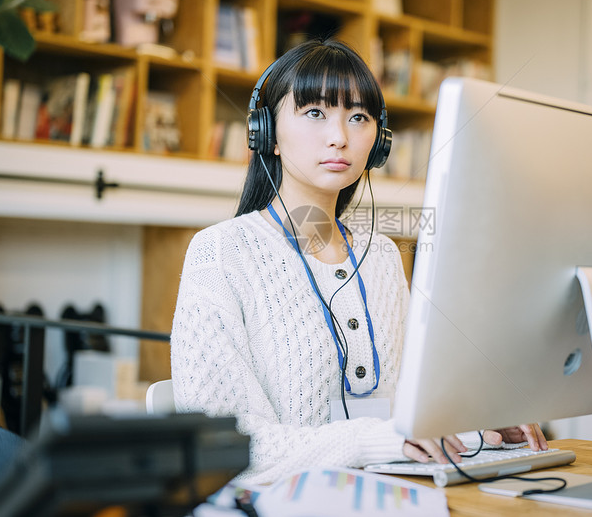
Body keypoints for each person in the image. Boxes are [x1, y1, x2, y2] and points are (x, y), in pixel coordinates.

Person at [170, 38, 547, 484]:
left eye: (359, 117)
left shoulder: (384, 255)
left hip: (393, 495)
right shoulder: (222, 253)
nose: (340, 136)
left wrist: (480, 427)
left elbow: (408, 415)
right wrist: (374, 441)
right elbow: (225, 446)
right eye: (315, 113)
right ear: (267, 134)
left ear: (378, 142)